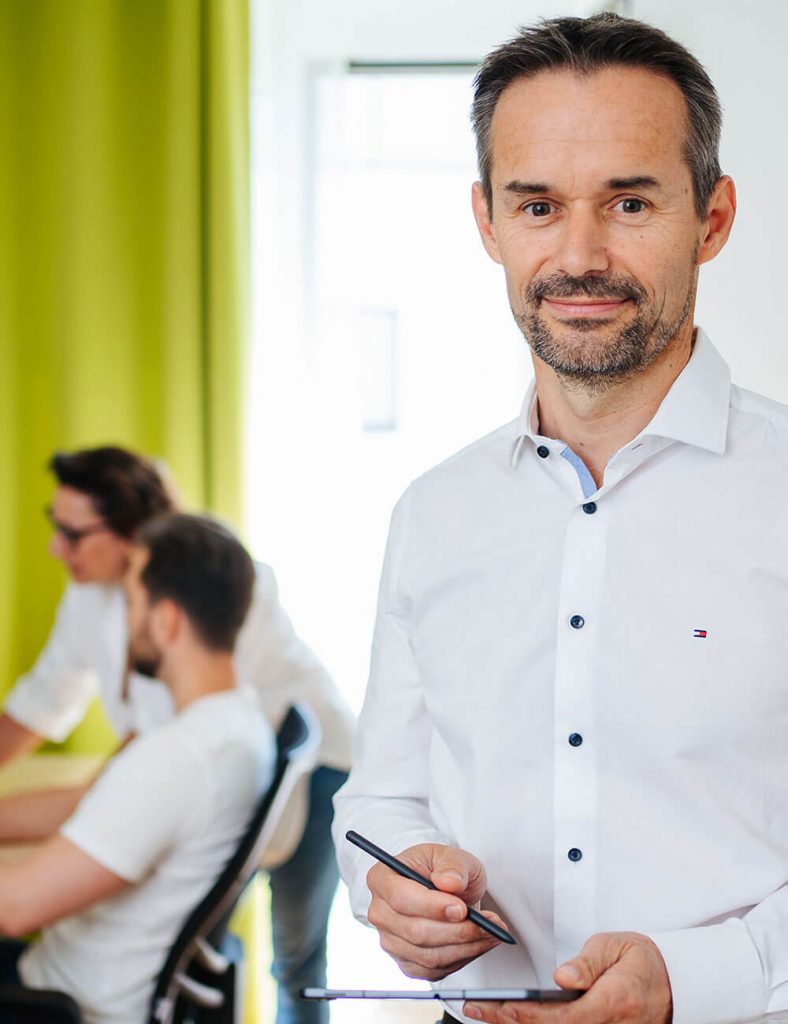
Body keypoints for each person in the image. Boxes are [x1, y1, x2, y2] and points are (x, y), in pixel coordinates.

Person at [332, 13, 788, 1024]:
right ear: (486, 222)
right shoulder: (432, 514)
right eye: (536, 205)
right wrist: (399, 881)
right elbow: (381, 796)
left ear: (710, 219)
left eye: (628, 201)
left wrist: (699, 975)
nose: (579, 256)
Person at [0, 446, 355, 1024]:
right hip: (222, 772)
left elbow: (159, 766)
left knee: (295, 960)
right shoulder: (208, 728)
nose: (56, 548)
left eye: (72, 533)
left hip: (317, 773)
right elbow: (48, 701)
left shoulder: (195, 727)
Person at [0, 512, 275, 1024]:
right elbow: (90, 804)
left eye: (130, 602)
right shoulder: (239, 723)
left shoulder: (180, 756)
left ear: (167, 620)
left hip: (63, 1003)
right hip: (82, 981)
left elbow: (14, 908)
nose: (125, 623)